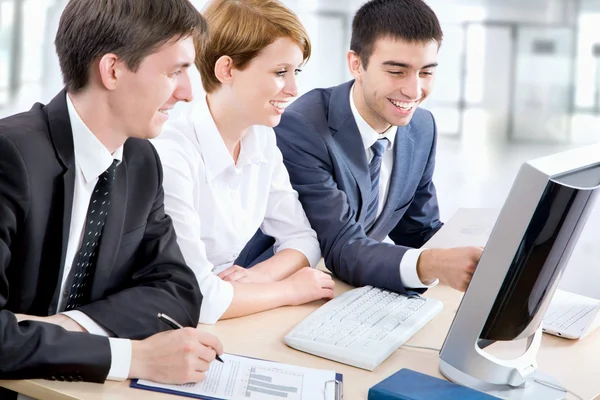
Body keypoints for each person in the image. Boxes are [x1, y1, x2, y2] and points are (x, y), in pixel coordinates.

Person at [0, 0, 222, 397]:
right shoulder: (10, 156)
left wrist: (63, 327)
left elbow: (180, 289)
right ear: (113, 70)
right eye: (175, 72)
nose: (189, 93)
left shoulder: (141, 160)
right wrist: (133, 358)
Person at [274, 0, 483, 295]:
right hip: (288, 289)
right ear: (356, 64)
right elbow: (341, 246)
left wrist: (479, 255)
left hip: (352, 290)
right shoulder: (302, 127)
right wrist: (431, 264)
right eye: (397, 72)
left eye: (426, 72)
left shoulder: (422, 127)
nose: (414, 91)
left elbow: (417, 229)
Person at [152, 0, 334, 325]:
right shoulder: (171, 153)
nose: (293, 90)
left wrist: (258, 278)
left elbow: (303, 239)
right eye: (280, 73)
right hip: (161, 325)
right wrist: (290, 290)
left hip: (228, 316)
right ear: (227, 69)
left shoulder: (261, 139)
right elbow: (198, 296)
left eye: (296, 72)